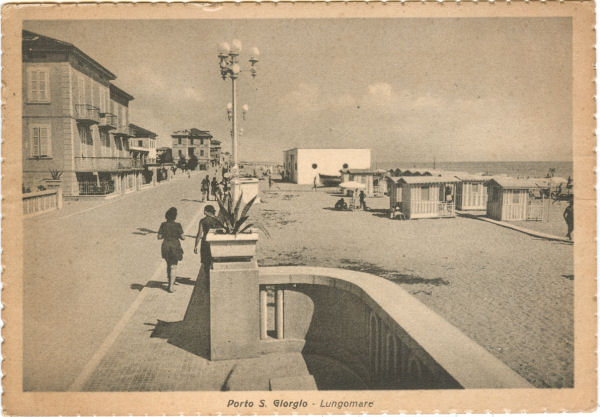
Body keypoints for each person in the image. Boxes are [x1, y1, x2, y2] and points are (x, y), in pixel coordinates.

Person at [157, 207, 184, 293]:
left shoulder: (163, 225)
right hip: (175, 246)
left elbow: (159, 237)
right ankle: (171, 287)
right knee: (173, 266)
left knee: (168, 265)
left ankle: (170, 283)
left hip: (165, 246)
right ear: (175, 217)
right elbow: (183, 237)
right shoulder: (178, 225)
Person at [194, 205, 221, 273]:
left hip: (205, 242)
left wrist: (196, 246)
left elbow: (199, 234)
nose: (204, 212)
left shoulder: (203, 221)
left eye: (204, 210)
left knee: (206, 262)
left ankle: (207, 279)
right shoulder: (217, 220)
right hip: (215, 241)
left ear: (207, 212)